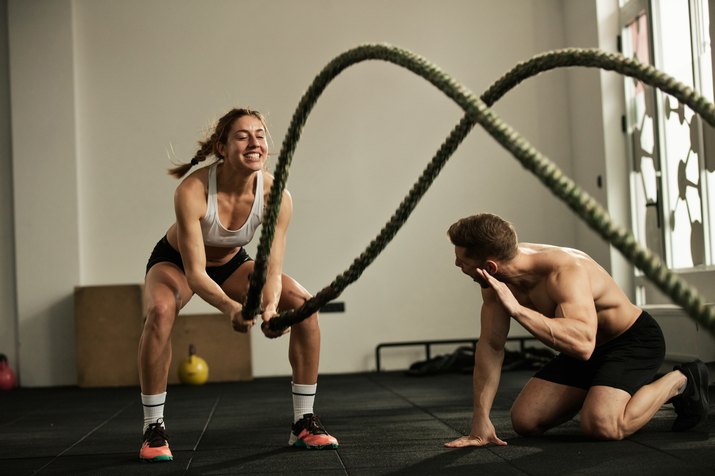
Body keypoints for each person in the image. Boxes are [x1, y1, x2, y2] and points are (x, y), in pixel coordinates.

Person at [137, 108, 338, 463]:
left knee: (304, 305)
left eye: (260, 135)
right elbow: (197, 274)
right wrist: (232, 308)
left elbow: (271, 269)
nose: (254, 142)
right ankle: (153, 428)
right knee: (160, 311)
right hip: (177, 262)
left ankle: (304, 422)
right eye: (242, 136)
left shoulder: (277, 195)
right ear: (222, 146)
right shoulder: (193, 190)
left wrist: (272, 310)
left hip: (232, 263)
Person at [443, 213, 709, 448]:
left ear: (490, 266)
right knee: (525, 421)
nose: (458, 266)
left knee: (603, 426)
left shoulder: (564, 271)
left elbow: (583, 347)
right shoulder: (494, 280)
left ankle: (680, 380)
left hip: (631, 342)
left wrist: (518, 310)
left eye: (462, 261)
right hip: (583, 347)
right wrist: (481, 419)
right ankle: (604, 391)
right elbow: (491, 345)